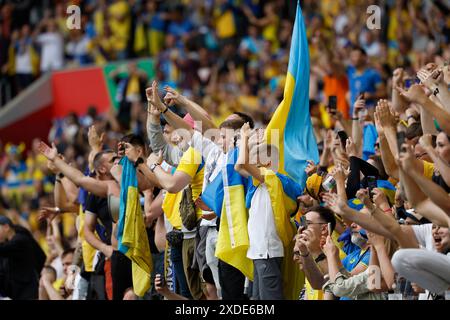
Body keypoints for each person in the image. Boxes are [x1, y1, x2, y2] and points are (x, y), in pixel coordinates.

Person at [0, 215, 45, 300]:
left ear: (6, 227)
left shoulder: (20, 239)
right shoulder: (9, 242)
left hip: (27, 290)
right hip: (17, 291)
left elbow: (4, 249)